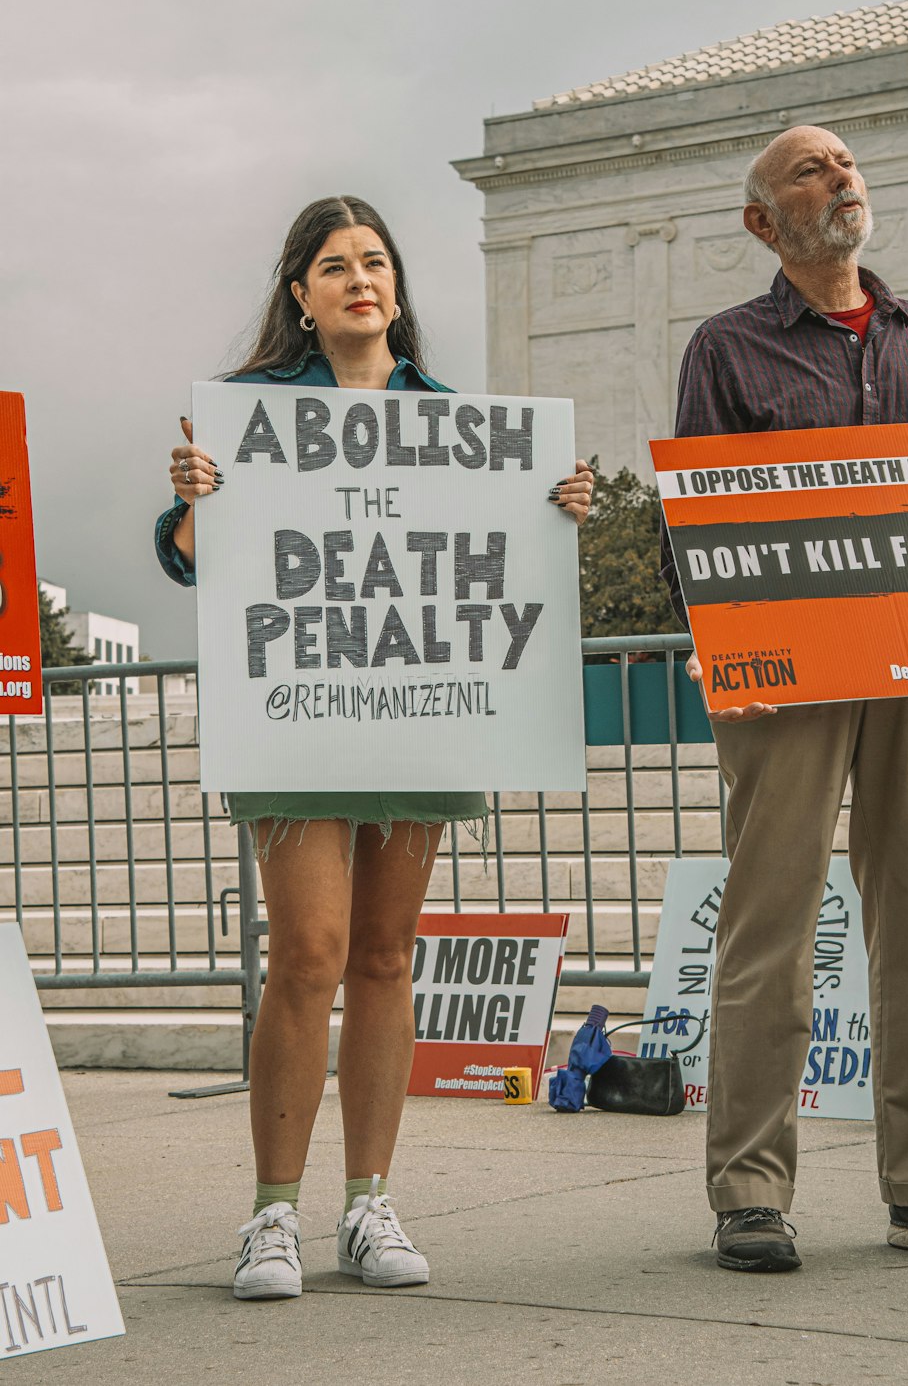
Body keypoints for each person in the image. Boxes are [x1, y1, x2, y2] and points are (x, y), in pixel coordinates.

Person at [155, 195, 594, 1300]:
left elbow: (506, 556)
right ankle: (271, 1215)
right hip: (299, 715)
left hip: (420, 715)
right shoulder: (247, 415)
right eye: (337, 264)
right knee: (307, 953)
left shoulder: (456, 418)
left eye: (378, 260)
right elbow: (189, 563)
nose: (363, 277)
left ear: (397, 286)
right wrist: (195, 501)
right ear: (299, 296)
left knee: (387, 957)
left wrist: (558, 509)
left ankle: (369, 1203)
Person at [660, 127, 908, 1271]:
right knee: (771, 925)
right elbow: (693, 527)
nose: (839, 178)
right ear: (764, 224)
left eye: (844, 163)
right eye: (808, 172)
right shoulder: (726, 349)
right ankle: (749, 1191)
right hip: (787, 684)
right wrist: (723, 638)